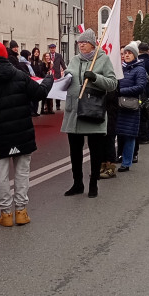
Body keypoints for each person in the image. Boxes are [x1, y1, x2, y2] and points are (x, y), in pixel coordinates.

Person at [0, 42, 53, 227]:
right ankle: (21, 211)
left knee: (2, 175)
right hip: (22, 132)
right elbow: (39, 93)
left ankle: (5, 214)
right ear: (5, 55)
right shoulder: (19, 75)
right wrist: (48, 79)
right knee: (22, 173)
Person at [61, 29, 117, 198]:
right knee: (75, 152)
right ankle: (77, 183)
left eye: (84, 42)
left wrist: (95, 78)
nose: (81, 45)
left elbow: (112, 83)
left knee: (95, 151)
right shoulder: (74, 60)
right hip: (74, 112)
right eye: (79, 42)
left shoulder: (103, 59)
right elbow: (68, 79)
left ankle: (93, 184)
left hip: (93, 111)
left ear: (93, 44)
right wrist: (65, 77)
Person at [116, 43, 148, 172]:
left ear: (135, 55)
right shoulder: (120, 68)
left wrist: (121, 91)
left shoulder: (140, 69)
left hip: (131, 106)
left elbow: (140, 86)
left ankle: (127, 162)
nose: (127, 55)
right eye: (125, 53)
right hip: (119, 105)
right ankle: (120, 155)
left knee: (129, 134)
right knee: (120, 133)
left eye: (129, 53)